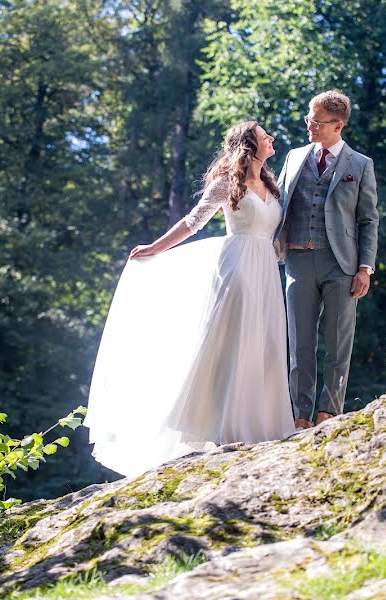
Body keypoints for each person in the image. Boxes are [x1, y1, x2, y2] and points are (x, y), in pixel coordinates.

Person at [83, 120, 296, 478]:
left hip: (266, 273)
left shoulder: (273, 187)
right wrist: (154, 247)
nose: (271, 138)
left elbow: (278, 236)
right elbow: (192, 222)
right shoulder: (228, 183)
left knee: (267, 344)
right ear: (249, 144)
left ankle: (263, 424)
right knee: (236, 343)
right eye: (264, 135)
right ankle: (226, 427)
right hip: (237, 269)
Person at [274, 91, 379, 430]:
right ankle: (299, 415)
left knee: (337, 342)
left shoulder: (360, 164)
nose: (310, 125)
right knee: (299, 343)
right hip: (298, 261)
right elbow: (275, 201)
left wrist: (365, 267)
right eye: (309, 118)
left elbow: (368, 219)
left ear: (338, 125)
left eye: (317, 122)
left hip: (342, 263)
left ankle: (328, 412)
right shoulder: (293, 157)